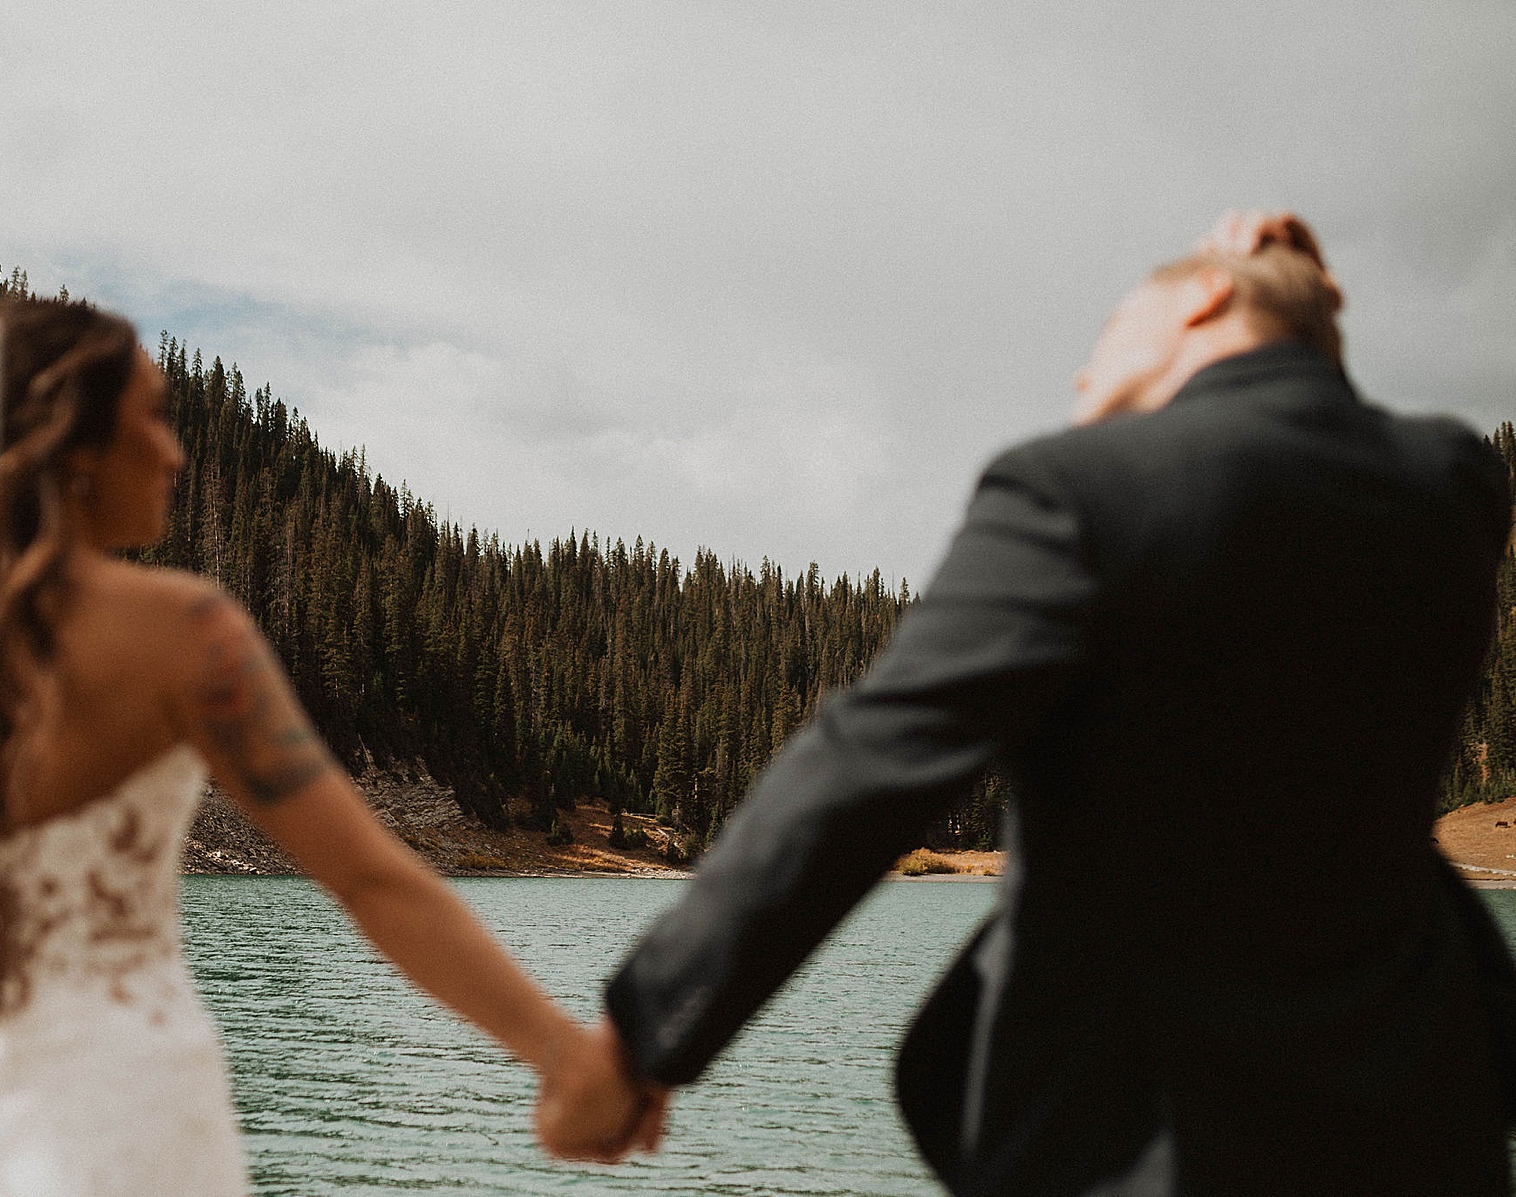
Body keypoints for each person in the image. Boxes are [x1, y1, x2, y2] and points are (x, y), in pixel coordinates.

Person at [538, 213, 1516, 1194]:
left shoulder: (1074, 491)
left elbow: (864, 770)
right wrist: (1295, 304)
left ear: (1207, 299)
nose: (1084, 376)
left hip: (1141, 1148)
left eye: (1104, 335)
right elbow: (1313, 453)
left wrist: (637, 1042)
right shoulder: (1449, 485)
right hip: (1420, 1130)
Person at [0, 297, 610, 1197]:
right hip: (117, 1123)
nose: (175, 451)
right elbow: (372, 879)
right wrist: (560, 1052)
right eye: (152, 415)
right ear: (75, 446)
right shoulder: (184, 634)